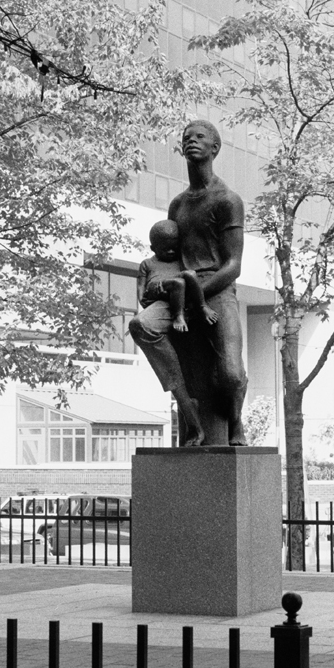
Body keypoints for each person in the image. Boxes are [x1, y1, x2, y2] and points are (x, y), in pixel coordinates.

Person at [128, 119, 248, 445]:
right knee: (142, 325)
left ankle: (236, 422)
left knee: (231, 374)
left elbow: (234, 266)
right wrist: (158, 285)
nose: (191, 141)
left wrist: (199, 296)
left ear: (215, 148)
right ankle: (183, 398)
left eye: (200, 137)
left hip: (216, 289)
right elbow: (169, 256)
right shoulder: (178, 205)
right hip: (180, 288)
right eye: (186, 138)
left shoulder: (228, 200)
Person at [133, 219, 219, 335]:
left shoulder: (180, 261)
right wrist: (142, 299)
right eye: (165, 249)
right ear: (153, 248)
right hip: (155, 287)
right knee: (178, 283)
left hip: (174, 285)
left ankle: (202, 306)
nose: (171, 251)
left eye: (174, 248)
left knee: (190, 274)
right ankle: (178, 316)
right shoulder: (147, 263)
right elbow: (140, 284)